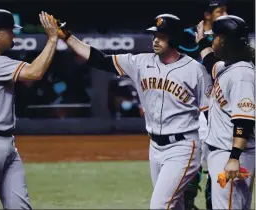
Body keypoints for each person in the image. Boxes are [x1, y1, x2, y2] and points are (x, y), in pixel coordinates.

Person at [51, 13, 213, 209]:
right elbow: (99, 59)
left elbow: (209, 113)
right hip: (155, 147)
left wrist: (221, 154)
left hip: (184, 147)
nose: (155, 39)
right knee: (174, 205)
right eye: (154, 35)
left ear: (174, 38)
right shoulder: (140, 62)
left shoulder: (196, 70)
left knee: (160, 205)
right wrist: (67, 37)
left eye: (161, 36)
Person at [0, 9, 59, 209]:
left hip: (6, 143)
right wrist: (52, 39)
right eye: (9, 31)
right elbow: (35, 72)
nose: (14, 35)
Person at [179, 1, 228, 209]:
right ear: (208, 15)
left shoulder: (227, 36)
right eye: (220, 11)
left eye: (226, 11)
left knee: (217, 162)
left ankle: (213, 204)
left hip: (218, 104)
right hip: (193, 105)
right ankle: (187, 202)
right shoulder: (188, 35)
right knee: (192, 159)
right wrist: (204, 39)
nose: (225, 14)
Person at [203, 15, 255, 210]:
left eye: (214, 37)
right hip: (225, 152)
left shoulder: (242, 75)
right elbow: (209, 62)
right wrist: (201, 41)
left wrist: (234, 158)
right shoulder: (229, 66)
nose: (212, 41)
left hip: (232, 155)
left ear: (223, 40)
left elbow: (244, 120)